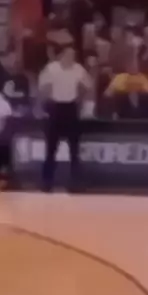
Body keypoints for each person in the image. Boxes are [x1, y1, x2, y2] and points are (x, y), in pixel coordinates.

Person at [38, 46, 92, 192]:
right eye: (69, 55)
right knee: (51, 148)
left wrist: (80, 99)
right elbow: (43, 87)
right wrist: (46, 104)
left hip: (71, 108)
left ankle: (76, 183)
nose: (71, 58)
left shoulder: (78, 69)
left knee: (74, 148)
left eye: (73, 55)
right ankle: (47, 182)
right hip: (55, 108)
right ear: (61, 55)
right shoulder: (51, 68)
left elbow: (88, 85)